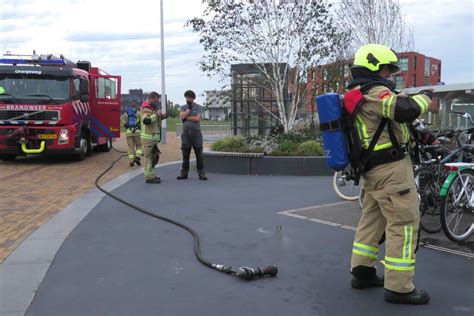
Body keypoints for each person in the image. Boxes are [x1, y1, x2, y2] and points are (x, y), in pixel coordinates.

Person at [347, 44, 433, 304]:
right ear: (373, 66)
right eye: (386, 69)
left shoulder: (356, 93)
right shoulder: (374, 91)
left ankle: (362, 272)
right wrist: (426, 96)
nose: (389, 75)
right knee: (404, 223)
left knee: (373, 219)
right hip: (391, 171)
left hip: (375, 172)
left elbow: (389, 125)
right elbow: (404, 109)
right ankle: (399, 287)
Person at [177, 90, 207, 180]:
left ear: (193, 98)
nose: (188, 99)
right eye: (186, 97)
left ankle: (201, 173)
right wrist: (189, 110)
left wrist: (186, 118)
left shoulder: (198, 107)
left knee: (199, 154)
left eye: (189, 97)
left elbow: (197, 118)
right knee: (185, 154)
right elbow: (181, 116)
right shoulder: (183, 107)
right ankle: (184, 173)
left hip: (196, 133)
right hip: (186, 134)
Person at [141, 92, 165, 184]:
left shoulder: (151, 109)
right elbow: (147, 120)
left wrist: (161, 116)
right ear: (151, 99)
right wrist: (157, 115)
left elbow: (154, 122)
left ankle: (152, 175)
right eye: (156, 100)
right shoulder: (146, 108)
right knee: (149, 158)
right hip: (148, 139)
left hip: (152, 138)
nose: (157, 102)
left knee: (153, 157)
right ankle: (149, 177)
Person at [121, 102, 143, 167]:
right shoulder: (138, 113)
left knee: (131, 147)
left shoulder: (126, 113)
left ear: (129, 107)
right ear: (135, 107)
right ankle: (137, 157)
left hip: (129, 133)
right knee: (139, 146)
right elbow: (141, 122)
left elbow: (124, 122)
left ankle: (131, 162)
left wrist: (128, 128)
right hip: (137, 132)